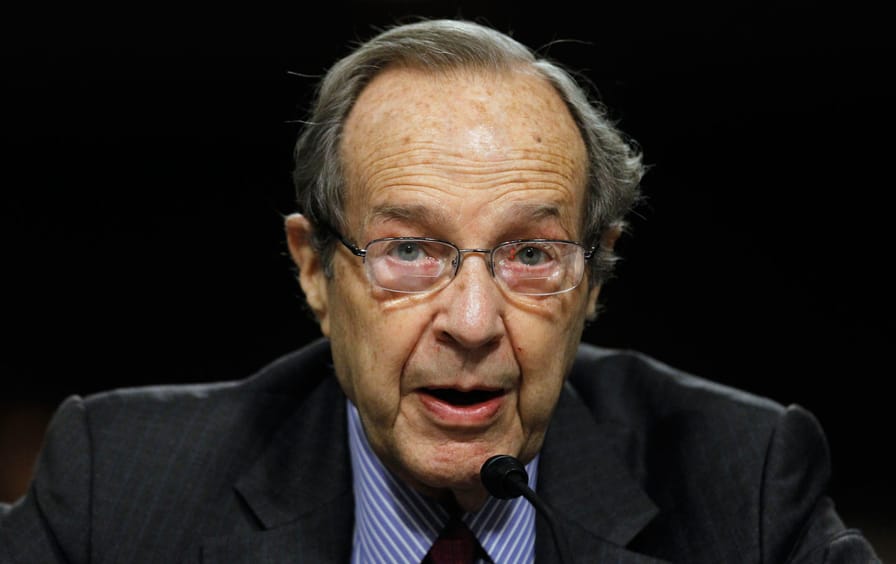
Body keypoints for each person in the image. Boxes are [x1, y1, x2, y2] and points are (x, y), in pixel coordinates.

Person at [0, 17, 880, 564]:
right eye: (412, 250)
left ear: (593, 277)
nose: (472, 321)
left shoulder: (743, 481)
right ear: (314, 269)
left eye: (530, 254)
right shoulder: (118, 486)